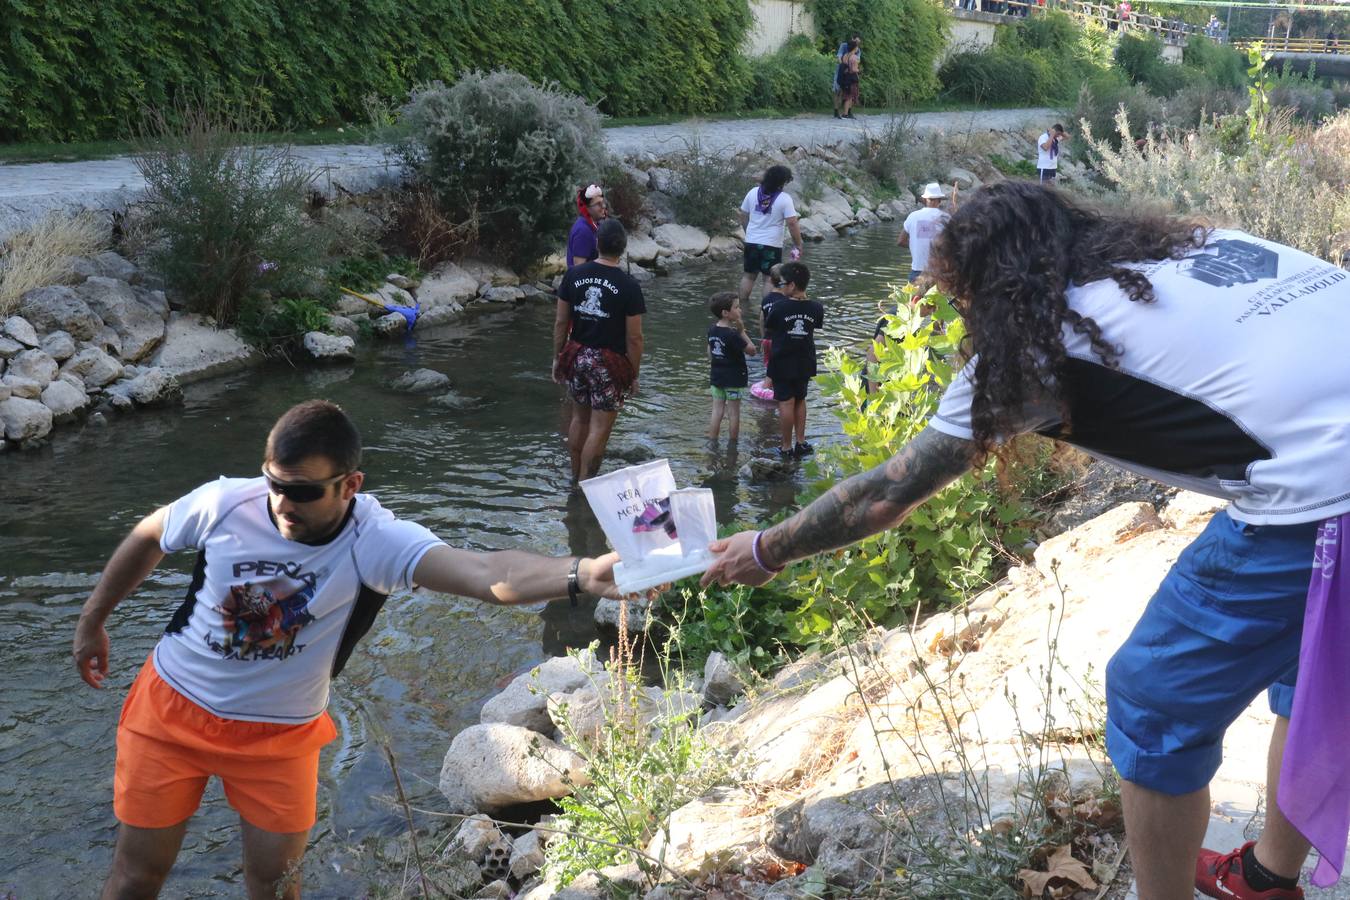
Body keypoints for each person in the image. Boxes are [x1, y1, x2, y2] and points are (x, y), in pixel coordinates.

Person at [703, 180, 1350, 900]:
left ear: (985, 290)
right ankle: (1265, 878)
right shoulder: (1202, 244)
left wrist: (765, 550)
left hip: (1327, 496)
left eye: (960, 299)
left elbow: (886, 492)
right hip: (1328, 462)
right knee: (1317, 661)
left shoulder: (1034, 356)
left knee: (1152, 697)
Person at [72, 400, 640, 899]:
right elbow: (150, 534)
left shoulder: (375, 540)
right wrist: (93, 618)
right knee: (136, 878)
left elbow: (485, 571)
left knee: (273, 886)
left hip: (280, 739)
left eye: (301, 492)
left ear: (350, 485)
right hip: (170, 713)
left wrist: (582, 572)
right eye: (274, 484)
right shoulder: (225, 502)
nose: (281, 504)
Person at [553, 219, 646, 483]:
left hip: (577, 356)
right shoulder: (629, 286)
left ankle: (574, 478)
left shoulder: (573, 275)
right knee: (599, 430)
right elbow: (635, 337)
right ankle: (586, 486)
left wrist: (557, 357)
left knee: (579, 419)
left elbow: (561, 322)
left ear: (597, 244)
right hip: (609, 363)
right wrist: (633, 373)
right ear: (624, 248)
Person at [762, 261, 823, 459]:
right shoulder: (816, 307)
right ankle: (801, 442)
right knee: (800, 399)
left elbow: (769, 328)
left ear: (792, 285)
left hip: (782, 361)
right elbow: (816, 327)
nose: (780, 287)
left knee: (786, 403)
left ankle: (786, 446)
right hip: (805, 360)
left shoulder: (779, 308)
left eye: (782, 283)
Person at [738, 165, 804, 308]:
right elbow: (792, 223)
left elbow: (743, 214)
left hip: (751, 242)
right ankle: (766, 309)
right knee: (769, 279)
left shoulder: (753, 192)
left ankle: (741, 307)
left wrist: (748, 231)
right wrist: (798, 244)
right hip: (771, 245)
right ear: (781, 182)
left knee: (748, 275)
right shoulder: (784, 199)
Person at [707, 291, 758, 444]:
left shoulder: (712, 330)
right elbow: (752, 350)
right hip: (734, 380)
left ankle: (713, 441)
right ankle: (733, 445)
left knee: (717, 411)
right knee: (734, 413)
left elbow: (709, 352)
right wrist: (742, 331)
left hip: (717, 377)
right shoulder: (733, 334)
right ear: (725, 313)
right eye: (737, 307)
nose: (740, 310)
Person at [898, 183, 953, 285]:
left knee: (914, 301)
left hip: (916, 272)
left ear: (924, 200)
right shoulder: (946, 218)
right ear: (940, 200)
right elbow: (953, 245)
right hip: (937, 273)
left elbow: (901, 241)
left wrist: (915, 245)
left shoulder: (912, 216)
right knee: (936, 301)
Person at [755, 264, 789, 395]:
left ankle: (768, 394)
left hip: (767, 340)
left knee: (770, 366)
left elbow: (762, 319)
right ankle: (767, 392)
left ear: (770, 280)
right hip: (780, 342)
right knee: (777, 369)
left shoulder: (766, 299)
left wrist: (763, 337)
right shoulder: (787, 301)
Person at [566, 184, 609, 269]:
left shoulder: (595, 225)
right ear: (587, 208)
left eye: (603, 202)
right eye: (598, 204)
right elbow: (578, 269)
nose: (603, 206)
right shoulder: (583, 231)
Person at [832, 33, 861, 118]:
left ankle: (848, 112)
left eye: (858, 42)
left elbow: (857, 60)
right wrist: (845, 67)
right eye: (856, 41)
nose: (857, 44)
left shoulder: (858, 50)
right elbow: (839, 57)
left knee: (850, 92)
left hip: (850, 73)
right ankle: (836, 111)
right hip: (841, 71)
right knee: (838, 91)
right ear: (852, 39)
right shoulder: (844, 45)